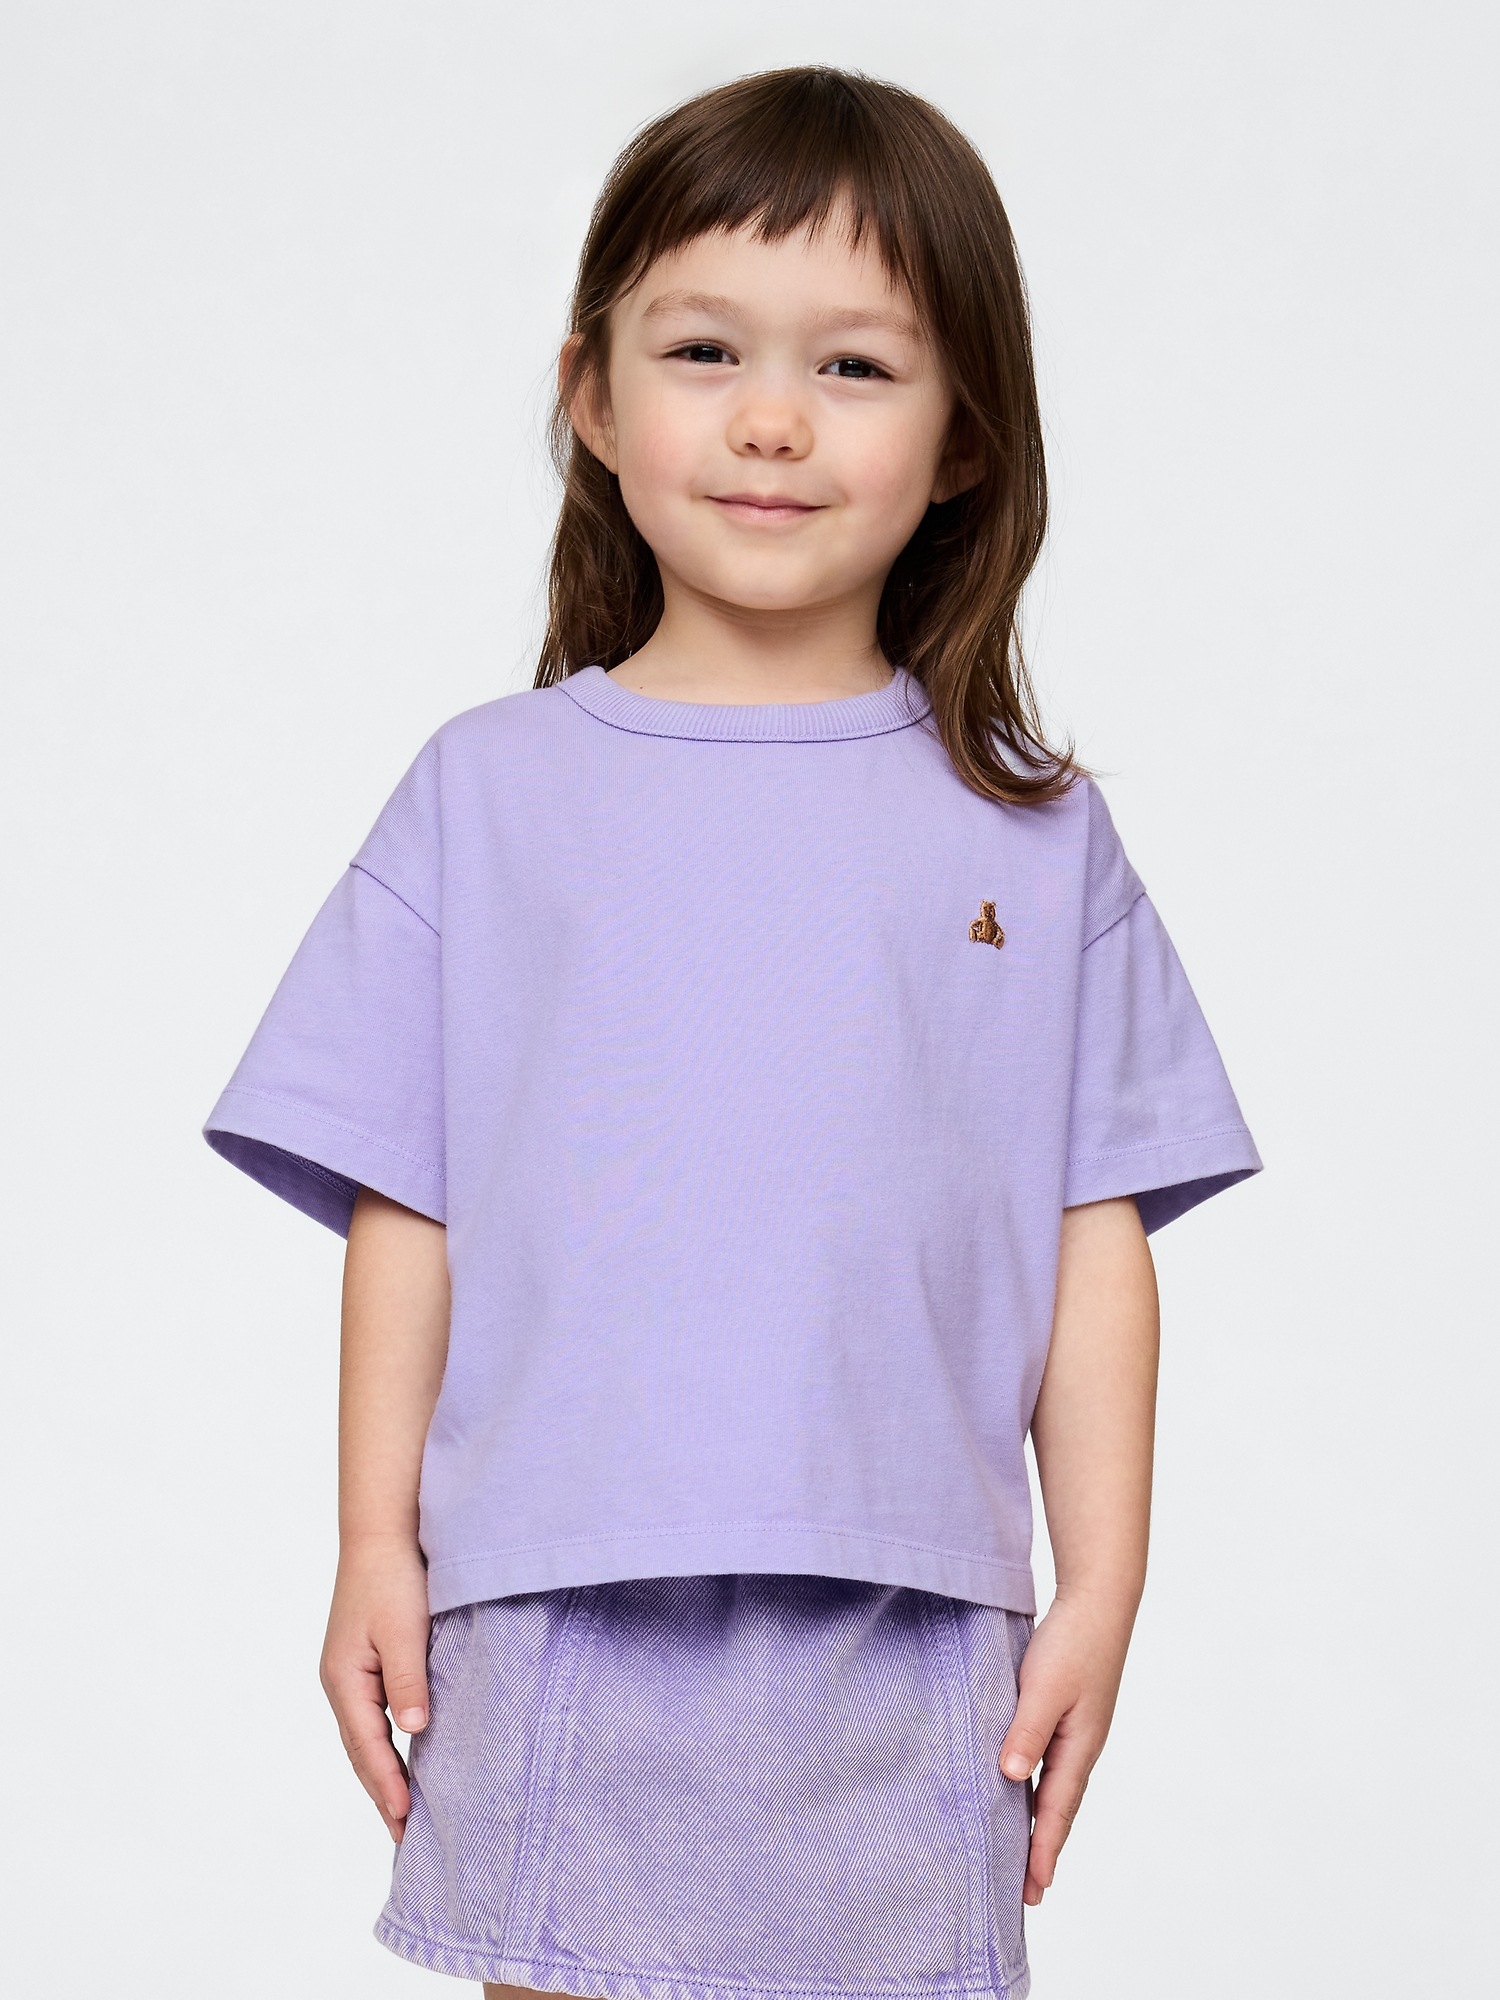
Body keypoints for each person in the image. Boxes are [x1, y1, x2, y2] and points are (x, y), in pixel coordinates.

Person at [203, 65, 1261, 2000]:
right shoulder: (489, 793)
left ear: (965, 434)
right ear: (593, 398)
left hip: (912, 1617)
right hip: (557, 1597)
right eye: (705, 351)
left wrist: (1103, 1580)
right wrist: (372, 1539)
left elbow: (1091, 1224)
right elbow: (407, 1197)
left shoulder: (1032, 831)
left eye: (856, 366)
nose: (773, 419)